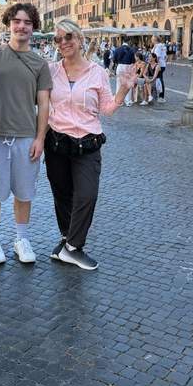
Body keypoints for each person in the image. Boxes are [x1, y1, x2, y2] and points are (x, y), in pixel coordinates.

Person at [45, 19, 131, 270]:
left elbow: (107, 109)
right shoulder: (51, 70)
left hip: (88, 143)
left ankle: (73, 247)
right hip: (57, 142)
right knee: (61, 194)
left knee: (86, 195)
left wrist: (123, 91)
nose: (63, 43)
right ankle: (66, 238)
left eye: (68, 37)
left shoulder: (98, 73)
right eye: (58, 39)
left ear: (80, 39)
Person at [0, 3, 52, 265]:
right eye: (17, 21)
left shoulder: (40, 63)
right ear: (8, 24)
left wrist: (40, 138)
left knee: (24, 193)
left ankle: (21, 238)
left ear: (33, 27)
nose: (21, 26)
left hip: (25, 136)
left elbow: (44, 103)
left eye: (27, 22)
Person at [112, 38, 136, 106]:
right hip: (128, 67)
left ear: (123, 41)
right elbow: (133, 61)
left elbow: (114, 60)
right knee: (128, 85)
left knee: (119, 84)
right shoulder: (131, 50)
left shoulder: (117, 49)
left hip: (120, 66)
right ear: (129, 41)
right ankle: (127, 101)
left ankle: (119, 101)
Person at [151, 36, 168, 102]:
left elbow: (156, 57)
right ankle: (158, 95)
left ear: (154, 39)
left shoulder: (158, 46)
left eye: (152, 39)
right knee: (159, 80)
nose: (151, 40)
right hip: (162, 64)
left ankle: (161, 97)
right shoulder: (162, 46)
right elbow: (166, 57)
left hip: (159, 65)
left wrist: (155, 65)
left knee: (159, 80)